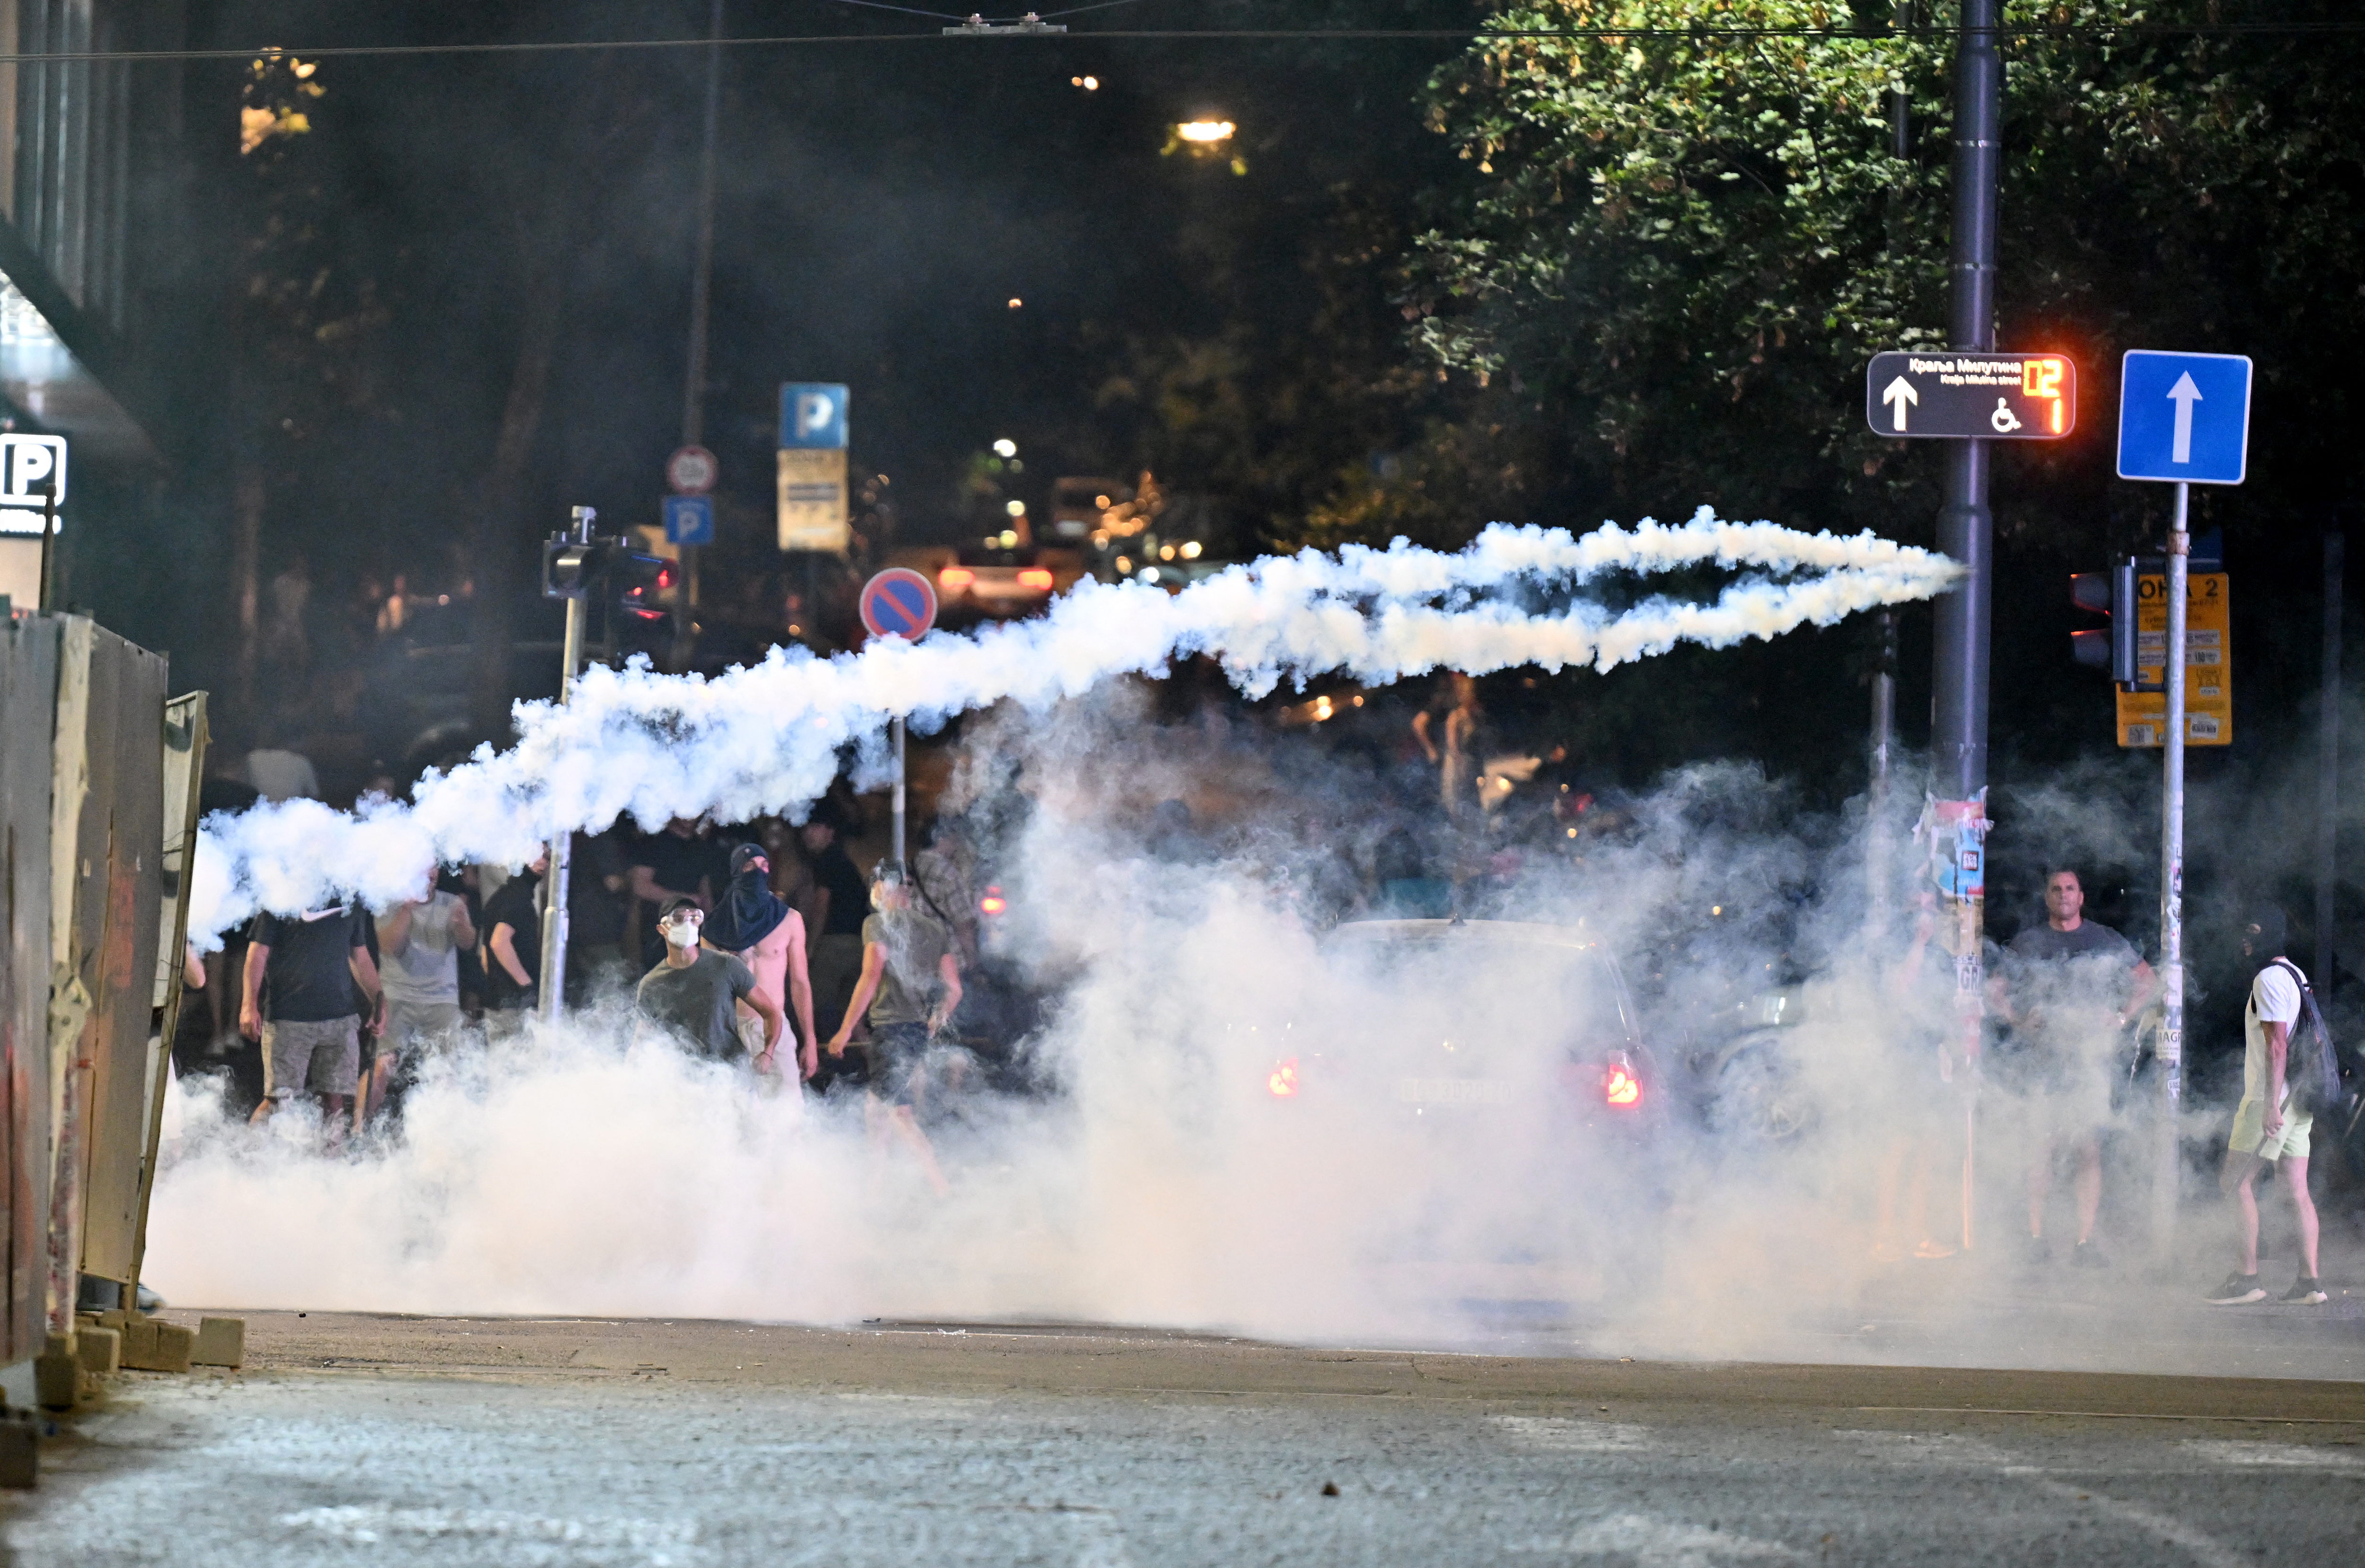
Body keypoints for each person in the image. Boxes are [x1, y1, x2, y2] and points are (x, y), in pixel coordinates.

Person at [1990, 867, 2158, 1267]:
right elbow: (1994, 988)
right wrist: (2016, 1018)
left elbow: (2147, 980)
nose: (2063, 895)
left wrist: (2121, 1017)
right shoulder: (2029, 942)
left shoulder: (2103, 939)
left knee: (2087, 1150)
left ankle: (2084, 1243)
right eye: (2055, 889)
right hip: (2042, 1064)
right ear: (2047, 897)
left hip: (2088, 1063)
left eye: (2070, 889)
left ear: (2081, 897)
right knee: (2040, 1150)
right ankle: (2035, 1240)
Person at [2206, 905, 2329, 1306]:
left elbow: (2277, 1046)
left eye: (2254, 932)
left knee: (2234, 1181)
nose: (2246, 940)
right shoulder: (2296, 975)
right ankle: (2309, 1284)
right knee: (2296, 1189)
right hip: (2301, 1098)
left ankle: (2247, 1279)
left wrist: (2271, 1105)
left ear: (2271, 937)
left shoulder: (2269, 979)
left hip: (2272, 1098)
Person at [825, 862, 959, 1196]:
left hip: (891, 1027)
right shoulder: (934, 929)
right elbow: (955, 989)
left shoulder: (877, 923)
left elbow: (871, 976)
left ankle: (939, 1185)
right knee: (878, 1107)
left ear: (883, 888)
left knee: (897, 1111)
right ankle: (878, 1182)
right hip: (915, 1028)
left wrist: (844, 1031)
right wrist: (935, 1021)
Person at [240, 897, 382, 1141]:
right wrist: (248, 1005)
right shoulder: (284, 892)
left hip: (341, 1016)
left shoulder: (350, 896)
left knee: (335, 1099)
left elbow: (359, 954)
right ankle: (247, 1158)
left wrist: (380, 1001)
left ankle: (330, 1165)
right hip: (289, 1016)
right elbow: (258, 953)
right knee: (278, 1100)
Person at [1873, 893, 1962, 1262]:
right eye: (1920, 909)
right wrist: (1919, 943)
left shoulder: (1942, 957)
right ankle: (1884, 1237)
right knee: (1898, 1149)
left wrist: (1950, 1054)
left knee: (1928, 1150)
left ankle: (1918, 1235)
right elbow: (1898, 990)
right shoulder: (1894, 949)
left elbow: (1946, 1008)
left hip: (1930, 1058)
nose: (1928, 916)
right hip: (1902, 1061)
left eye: (1933, 910)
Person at [367, 862, 476, 1120]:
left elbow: (468, 943)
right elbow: (389, 946)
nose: (432, 873)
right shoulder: (390, 903)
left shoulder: (451, 903)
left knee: (446, 1070)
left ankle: (442, 1132)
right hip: (397, 997)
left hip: (442, 999)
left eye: (435, 867)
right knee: (384, 1064)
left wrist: (461, 924)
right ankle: (361, 1127)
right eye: (425, 866)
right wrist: (407, 908)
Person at [704, 842, 819, 1080]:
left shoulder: (789, 920)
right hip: (731, 1030)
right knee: (739, 1113)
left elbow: (800, 983)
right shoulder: (716, 926)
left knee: (787, 1112)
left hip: (775, 1029)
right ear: (737, 872)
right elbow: (708, 988)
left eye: (763, 865)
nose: (758, 871)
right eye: (749, 866)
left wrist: (810, 1040)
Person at [634, 897, 787, 1067]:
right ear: (662, 930)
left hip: (732, 1074)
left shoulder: (726, 966)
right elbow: (643, 1038)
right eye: (678, 919)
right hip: (681, 1079)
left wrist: (767, 1053)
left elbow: (771, 1013)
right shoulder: (652, 984)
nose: (687, 924)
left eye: (694, 918)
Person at [629, 818, 729, 967]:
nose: (689, 816)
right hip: (659, 933)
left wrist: (712, 926)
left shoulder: (701, 846)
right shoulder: (653, 842)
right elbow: (640, 886)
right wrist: (683, 900)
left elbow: (705, 890)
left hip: (692, 932)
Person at [480, 849, 545, 1035]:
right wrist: (527, 987)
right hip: (515, 1005)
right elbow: (499, 943)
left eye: (546, 858)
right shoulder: (518, 898)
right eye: (537, 856)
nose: (544, 863)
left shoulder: (498, 898)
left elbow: (486, 956)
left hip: (497, 1002)